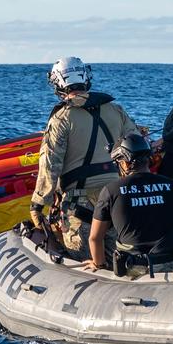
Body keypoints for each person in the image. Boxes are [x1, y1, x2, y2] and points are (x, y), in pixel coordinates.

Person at [29, 56, 140, 256]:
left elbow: (50, 164)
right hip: (116, 196)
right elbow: (136, 148)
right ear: (86, 77)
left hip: (78, 200)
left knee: (82, 260)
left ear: (58, 83)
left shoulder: (62, 118)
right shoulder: (115, 110)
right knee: (120, 257)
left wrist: (38, 204)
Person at [84, 132, 173, 275]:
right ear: (148, 159)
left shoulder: (111, 191)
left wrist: (99, 264)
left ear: (125, 163)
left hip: (135, 269)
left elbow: (95, 238)